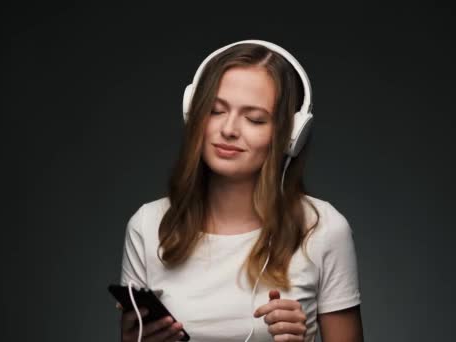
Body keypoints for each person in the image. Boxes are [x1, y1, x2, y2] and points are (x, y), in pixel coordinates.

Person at [115, 39, 364, 342]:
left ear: (290, 135)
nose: (229, 129)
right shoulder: (147, 225)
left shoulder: (323, 229)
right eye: (216, 111)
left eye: (254, 119)